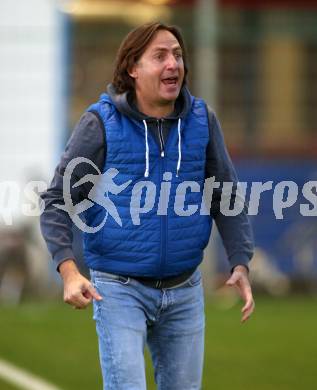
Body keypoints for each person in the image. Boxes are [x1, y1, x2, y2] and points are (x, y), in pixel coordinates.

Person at [40, 22, 255, 390]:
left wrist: (240, 260)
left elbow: (225, 195)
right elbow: (57, 201)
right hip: (118, 289)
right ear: (133, 68)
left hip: (185, 291)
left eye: (177, 54)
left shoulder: (203, 121)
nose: (173, 64)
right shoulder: (100, 123)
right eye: (160, 56)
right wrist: (69, 270)